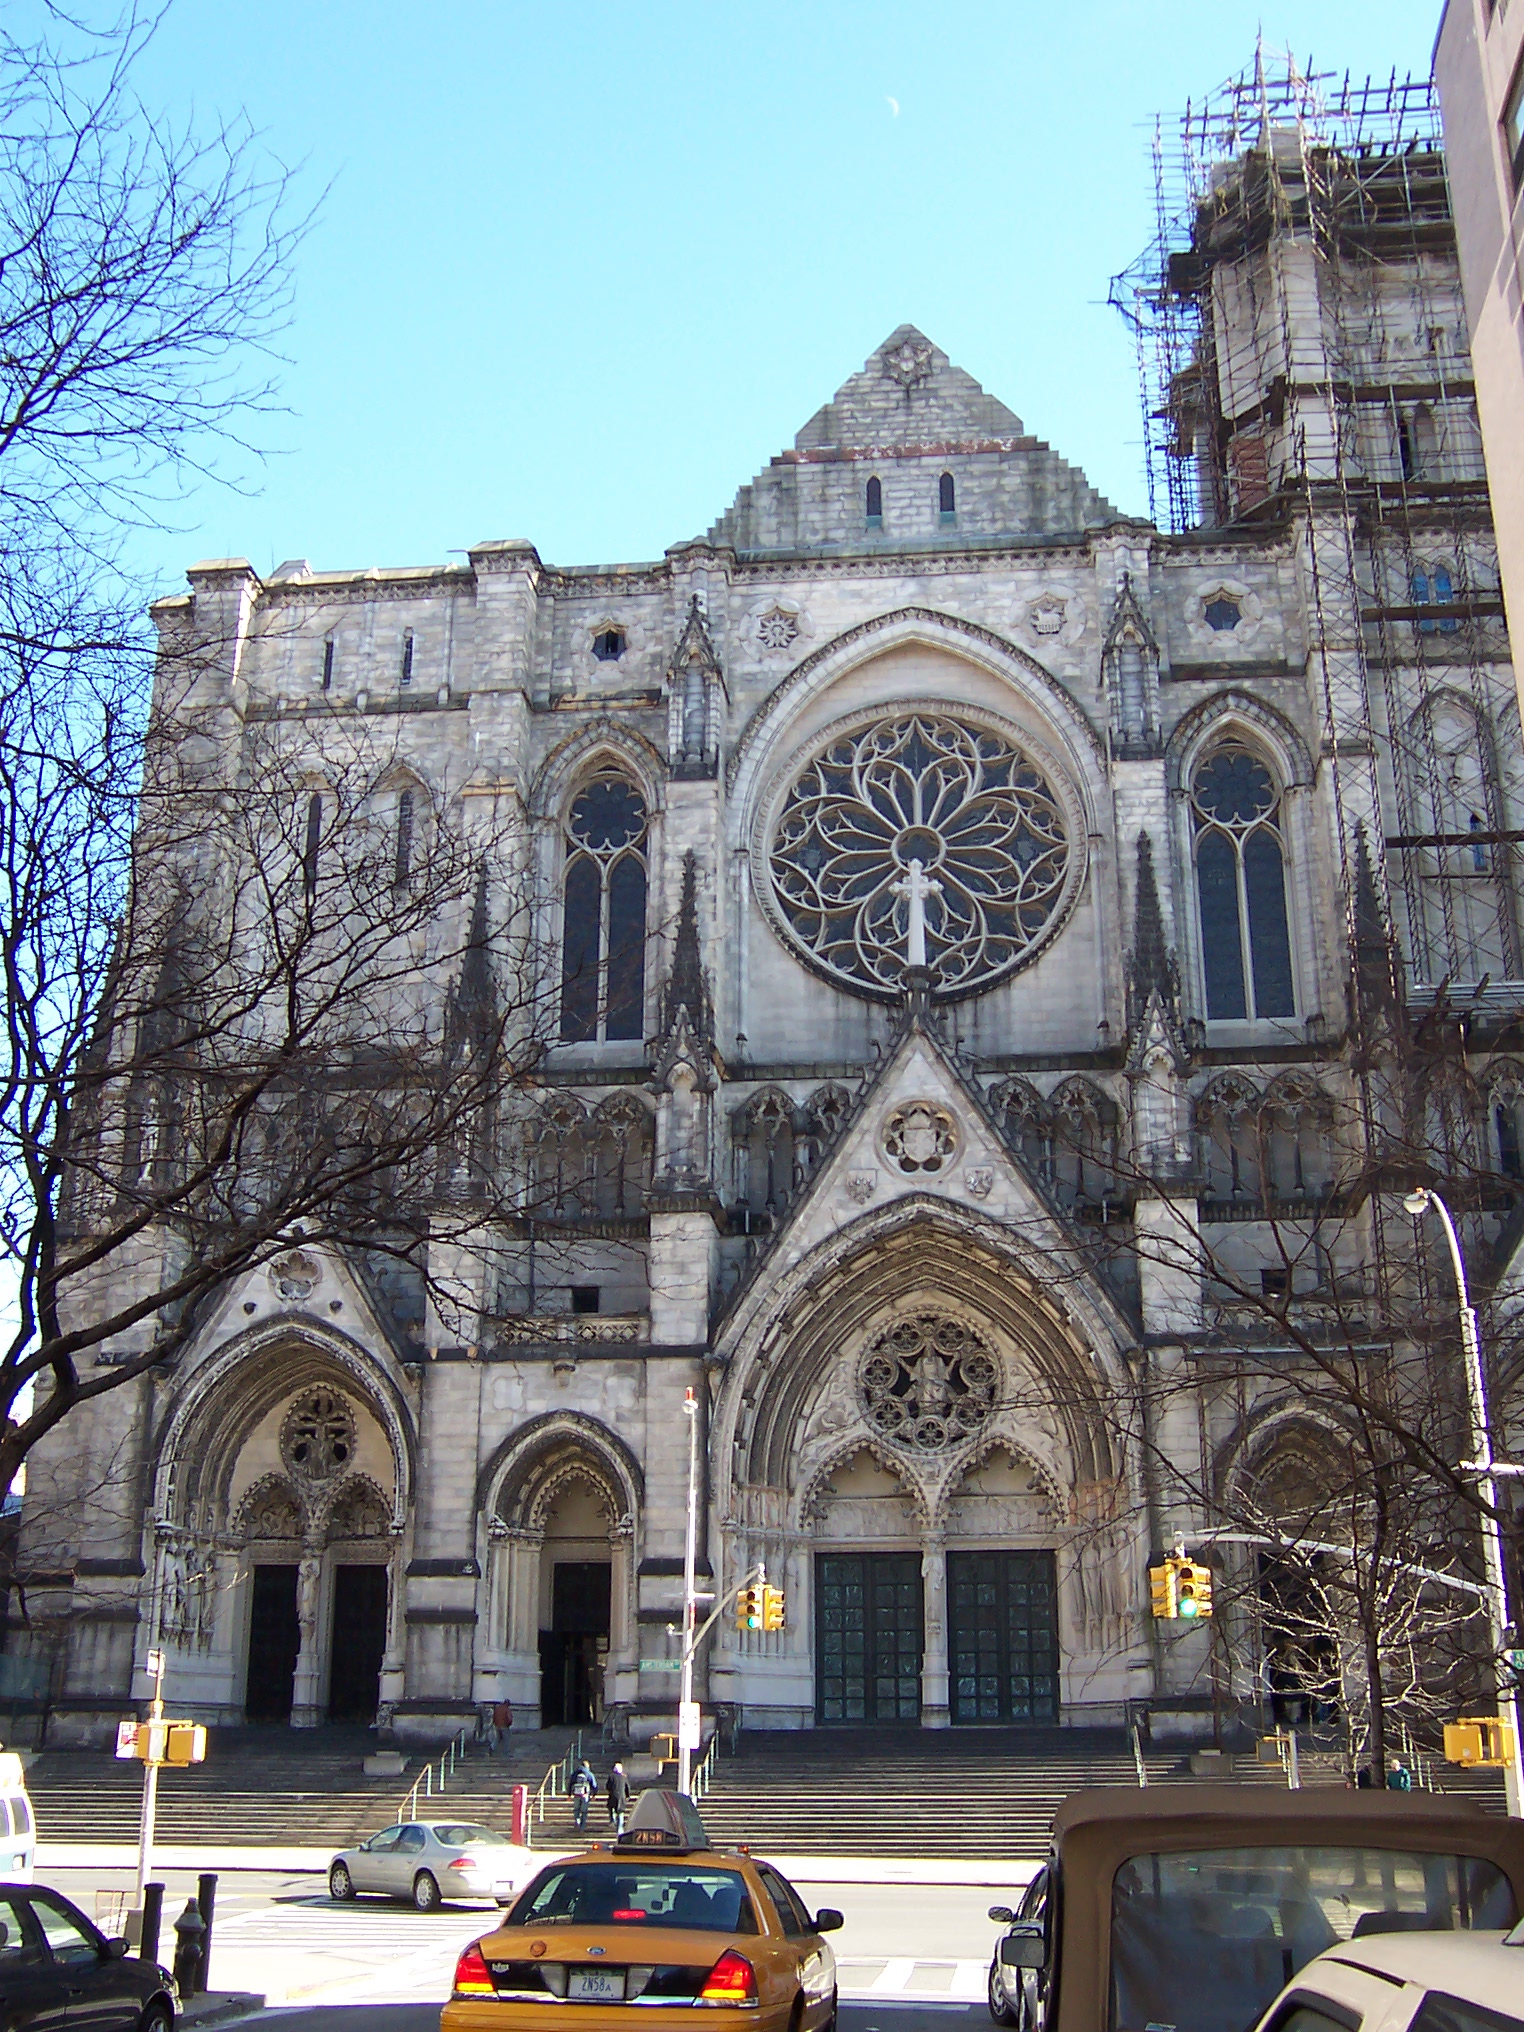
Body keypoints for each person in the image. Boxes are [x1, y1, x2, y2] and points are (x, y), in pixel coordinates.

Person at [570, 1758, 596, 1831]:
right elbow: (594, 1785)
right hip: (585, 1795)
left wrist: (569, 1794)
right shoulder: (589, 1774)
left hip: (576, 1794)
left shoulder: (575, 1773)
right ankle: (582, 1826)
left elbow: (570, 1784)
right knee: (584, 1811)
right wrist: (594, 1794)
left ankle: (577, 1821)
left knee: (576, 1809)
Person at [607, 1760, 630, 1835]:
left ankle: (613, 1821)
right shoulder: (623, 1777)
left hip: (613, 1795)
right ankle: (619, 1830)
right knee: (620, 1813)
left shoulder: (611, 1776)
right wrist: (627, 1795)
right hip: (621, 1797)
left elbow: (607, 1786)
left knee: (612, 1809)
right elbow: (627, 1787)